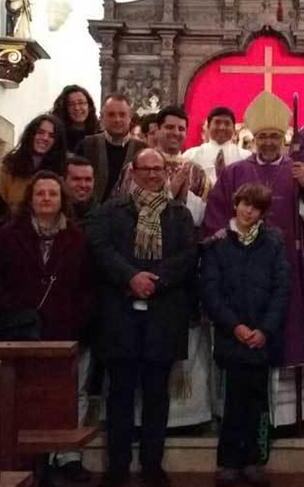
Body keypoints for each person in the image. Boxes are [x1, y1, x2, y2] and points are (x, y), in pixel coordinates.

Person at [203, 91, 304, 429]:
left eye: (274, 136)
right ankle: (239, 419)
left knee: (288, 333)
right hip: (241, 274)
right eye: (262, 136)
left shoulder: (300, 171)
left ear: (284, 137)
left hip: (288, 271)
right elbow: (216, 220)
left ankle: (290, 418)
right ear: (251, 137)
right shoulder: (234, 173)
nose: (267, 142)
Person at [87, 149, 197, 487]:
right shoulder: (111, 211)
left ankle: (152, 464)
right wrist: (131, 278)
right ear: (133, 172)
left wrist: (156, 281)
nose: (152, 175)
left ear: (166, 172)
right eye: (145, 169)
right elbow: (101, 249)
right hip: (120, 314)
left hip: (163, 314)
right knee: (119, 393)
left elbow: (188, 255)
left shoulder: (180, 214)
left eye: (158, 169)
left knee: (156, 395)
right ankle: (117, 465)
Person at [0, 170, 94, 481]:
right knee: (24, 394)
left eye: (53, 194)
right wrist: (11, 309)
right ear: (30, 199)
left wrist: (77, 315)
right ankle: (24, 458)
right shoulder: (8, 234)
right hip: (20, 329)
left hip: (65, 328)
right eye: (40, 193)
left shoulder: (76, 237)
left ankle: (67, 457)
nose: (46, 199)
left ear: (62, 200)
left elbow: (88, 284)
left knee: (71, 392)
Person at [118, 106, 212, 430]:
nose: (174, 134)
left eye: (180, 129)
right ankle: (134, 423)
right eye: (168, 128)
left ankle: (185, 417)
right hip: (134, 271)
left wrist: (185, 198)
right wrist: (171, 194)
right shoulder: (136, 168)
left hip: (176, 273)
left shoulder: (196, 170)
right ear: (156, 130)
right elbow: (125, 212)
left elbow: (201, 222)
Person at [201, 183, 290, 487]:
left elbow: (281, 288)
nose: (248, 210)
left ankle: (253, 460)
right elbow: (211, 292)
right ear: (235, 204)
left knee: (257, 400)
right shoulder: (218, 244)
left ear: (263, 212)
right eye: (244, 204)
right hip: (231, 334)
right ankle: (228, 460)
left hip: (262, 336)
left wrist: (264, 329)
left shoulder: (274, 242)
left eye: (255, 207)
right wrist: (235, 327)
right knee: (232, 402)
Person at [75, 93, 146, 203]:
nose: (117, 120)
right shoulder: (87, 145)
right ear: (102, 118)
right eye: (111, 115)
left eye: (122, 114)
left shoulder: (142, 150)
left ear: (130, 118)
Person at [0, 114, 67, 214]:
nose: (45, 138)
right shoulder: (10, 165)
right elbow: (0, 199)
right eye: (40, 132)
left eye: (51, 136)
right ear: (31, 134)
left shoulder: (62, 168)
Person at [183, 106, 252, 184]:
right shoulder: (191, 156)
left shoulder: (246, 157)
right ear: (208, 126)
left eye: (227, 123)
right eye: (217, 122)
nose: (222, 127)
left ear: (233, 128)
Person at [51, 85, 99, 152]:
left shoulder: (100, 134)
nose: (77, 108)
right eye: (71, 104)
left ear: (89, 106)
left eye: (81, 103)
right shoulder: (57, 136)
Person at [63, 156, 97, 226]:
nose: (83, 185)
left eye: (88, 179)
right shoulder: (52, 215)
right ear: (62, 181)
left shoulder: (103, 217)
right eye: (76, 179)